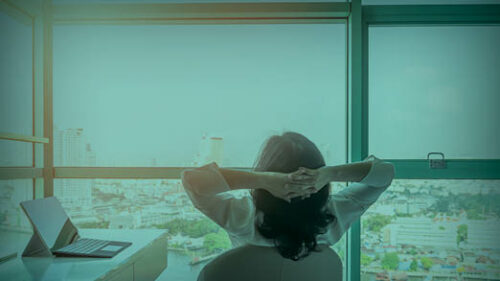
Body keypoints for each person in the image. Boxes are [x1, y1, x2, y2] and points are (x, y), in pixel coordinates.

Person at [181, 131, 395, 262]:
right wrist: (328, 174)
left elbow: (193, 180)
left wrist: (264, 180)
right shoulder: (335, 216)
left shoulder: (242, 216)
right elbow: (385, 173)